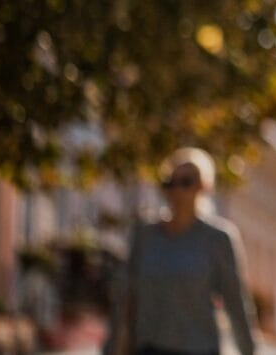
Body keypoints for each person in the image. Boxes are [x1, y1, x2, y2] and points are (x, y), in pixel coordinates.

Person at [104, 148, 257, 355]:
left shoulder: (218, 239)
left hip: (198, 349)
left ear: (204, 186)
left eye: (186, 182)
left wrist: (249, 351)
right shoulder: (145, 236)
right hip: (148, 349)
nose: (177, 190)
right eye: (170, 182)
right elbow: (125, 298)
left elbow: (236, 304)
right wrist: (111, 349)